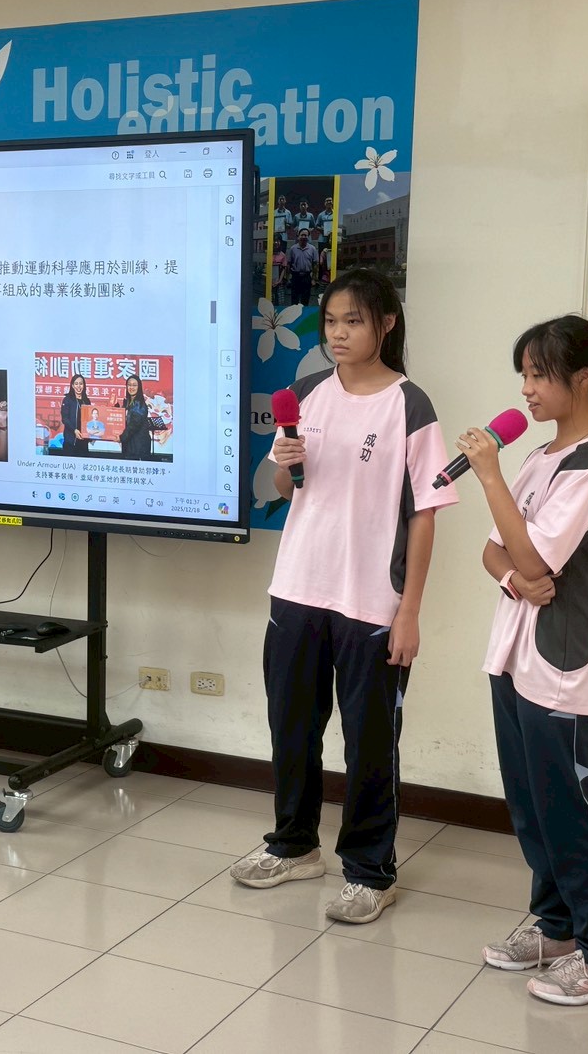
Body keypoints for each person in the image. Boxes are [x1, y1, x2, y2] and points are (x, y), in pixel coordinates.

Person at [230, 269, 457, 926]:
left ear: (386, 324)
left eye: (353, 321)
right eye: (330, 321)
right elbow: (288, 489)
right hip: (297, 588)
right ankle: (294, 845)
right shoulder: (304, 395)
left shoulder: (410, 405)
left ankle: (369, 871)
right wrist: (284, 461)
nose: (337, 333)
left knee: (369, 743)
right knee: (291, 727)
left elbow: (425, 514)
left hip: (372, 603)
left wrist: (409, 611)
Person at [454, 314, 588, 1006]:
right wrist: (514, 577)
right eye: (522, 376)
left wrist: (490, 480)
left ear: (581, 377)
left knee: (568, 810)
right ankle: (556, 928)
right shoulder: (539, 456)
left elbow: (531, 556)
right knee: (531, 805)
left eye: (538, 375)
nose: (525, 390)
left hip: (563, 666)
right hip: (514, 657)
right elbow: (496, 552)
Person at [118, 374, 164, 459]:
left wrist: (121, 438)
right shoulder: (128, 403)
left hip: (138, 448)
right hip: (129, 446)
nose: (131, 387)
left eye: (134, 385)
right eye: (129, 385)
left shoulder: (140, 405)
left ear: (139, 387)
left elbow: (134, 425)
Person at [57, 373, 91, 457]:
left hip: (83, 441)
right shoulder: (67, 400)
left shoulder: (86, 401)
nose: (78, 386)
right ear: (72, 385)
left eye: (81, 384)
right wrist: (74, 430)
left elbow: (89, 420)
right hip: (71, 441)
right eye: (76, 384)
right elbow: (65, 419)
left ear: (84, 385)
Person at [286, 229, 319, 306]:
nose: (304, 237)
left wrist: (314, 279)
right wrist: (288, 279)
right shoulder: (293, 249)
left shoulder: (312, 249)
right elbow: (288, 264)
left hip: (306, 278)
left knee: (305, 300)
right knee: (294, 301)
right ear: (298, 236)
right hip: (295, 277)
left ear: (308, 237)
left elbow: (315, 265)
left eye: (305, 235)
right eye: (302, 235)